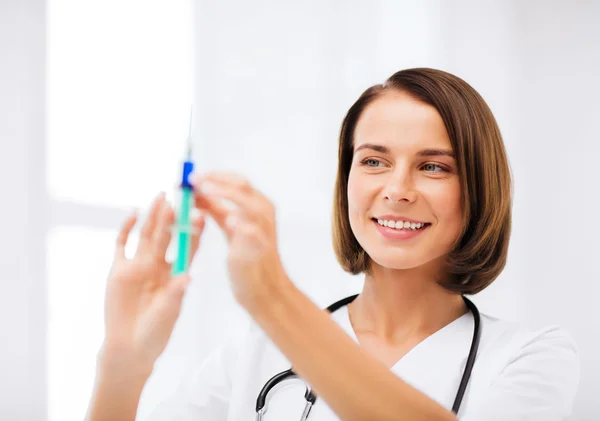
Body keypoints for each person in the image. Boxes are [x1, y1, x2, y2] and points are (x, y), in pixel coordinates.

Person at [85, 68, 580, 421]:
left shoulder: (530, 358)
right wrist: (123, 365)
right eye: (373, 161)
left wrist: (272, 297)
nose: (397, 189)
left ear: (479, 188)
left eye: (434, 166)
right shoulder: (253, 358)